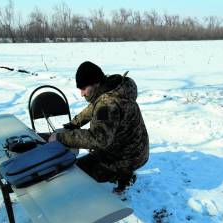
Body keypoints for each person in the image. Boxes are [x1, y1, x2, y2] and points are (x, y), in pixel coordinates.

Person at [48, 61, 149, 193]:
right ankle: (125, 175)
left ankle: (122, 174)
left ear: (96, 83)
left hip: (124, 157)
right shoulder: (116, 89)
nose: (82, 94)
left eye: (84, 88)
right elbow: (93, 108)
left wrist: (61, 137)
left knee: (75, 173)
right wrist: (74, 123)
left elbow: (97, 139)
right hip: (138, 149)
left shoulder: (108, 105)